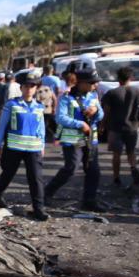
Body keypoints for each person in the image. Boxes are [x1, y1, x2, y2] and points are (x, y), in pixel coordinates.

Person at [45, 69, 105, 211]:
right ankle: (46, 193)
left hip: (90, 139)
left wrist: (96, 112)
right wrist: (80, 124)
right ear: (81, 83)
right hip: (72, 140)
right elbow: (60, 117)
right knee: (71, 168)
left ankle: (89, 201)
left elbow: (101, 114)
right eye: (92, 83)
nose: (95, 85)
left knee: (93, 170)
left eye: (96, 83)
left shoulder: (93, 95)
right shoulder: (66, 97)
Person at [0, 70, 48, 221]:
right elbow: (2, 126)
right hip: (14, 148)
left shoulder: (39, 107)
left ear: (36, 88)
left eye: (32, 86)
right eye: (26, 86)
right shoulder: (12, 104)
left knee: (36, 179)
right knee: (8, 173)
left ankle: (39, 209)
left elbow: (41, 128)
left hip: (33, 148)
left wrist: (42, 144)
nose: (29, 88)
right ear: (21, 88)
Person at [101, 66, 139, 187]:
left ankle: (116, 178)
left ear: (118, 78)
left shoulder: (112, 93)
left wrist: (102, 125)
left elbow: (106, 111)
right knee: (131, 152)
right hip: (132, 127)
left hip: (116, 127)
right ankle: (133, 168)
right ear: (130, 77)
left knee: (116, 154)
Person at [35, 77, 57, 143]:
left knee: (44, 126)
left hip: (42, 111)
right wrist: (54, 108)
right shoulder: (49, 88)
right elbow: (55, 99)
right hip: (50, 110)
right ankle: (53, 137)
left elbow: (37, 101)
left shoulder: (38, 91)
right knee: (51, 125)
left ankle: (45, 138)